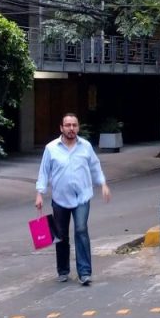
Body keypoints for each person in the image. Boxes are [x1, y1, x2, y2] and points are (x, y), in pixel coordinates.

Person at [35, 113, 111, 285]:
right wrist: (40, 193)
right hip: (60, 198)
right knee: (61, 235)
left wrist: (103, 184)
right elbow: (44, 172)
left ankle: (84, 272)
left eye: (74, 125)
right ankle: (63, 270)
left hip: (82, 197)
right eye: (68, 125)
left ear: (78, 127)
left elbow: (95, 166)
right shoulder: (51, 148)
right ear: (61, 128)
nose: (71, 128)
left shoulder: (86, 146)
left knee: (81, 230)